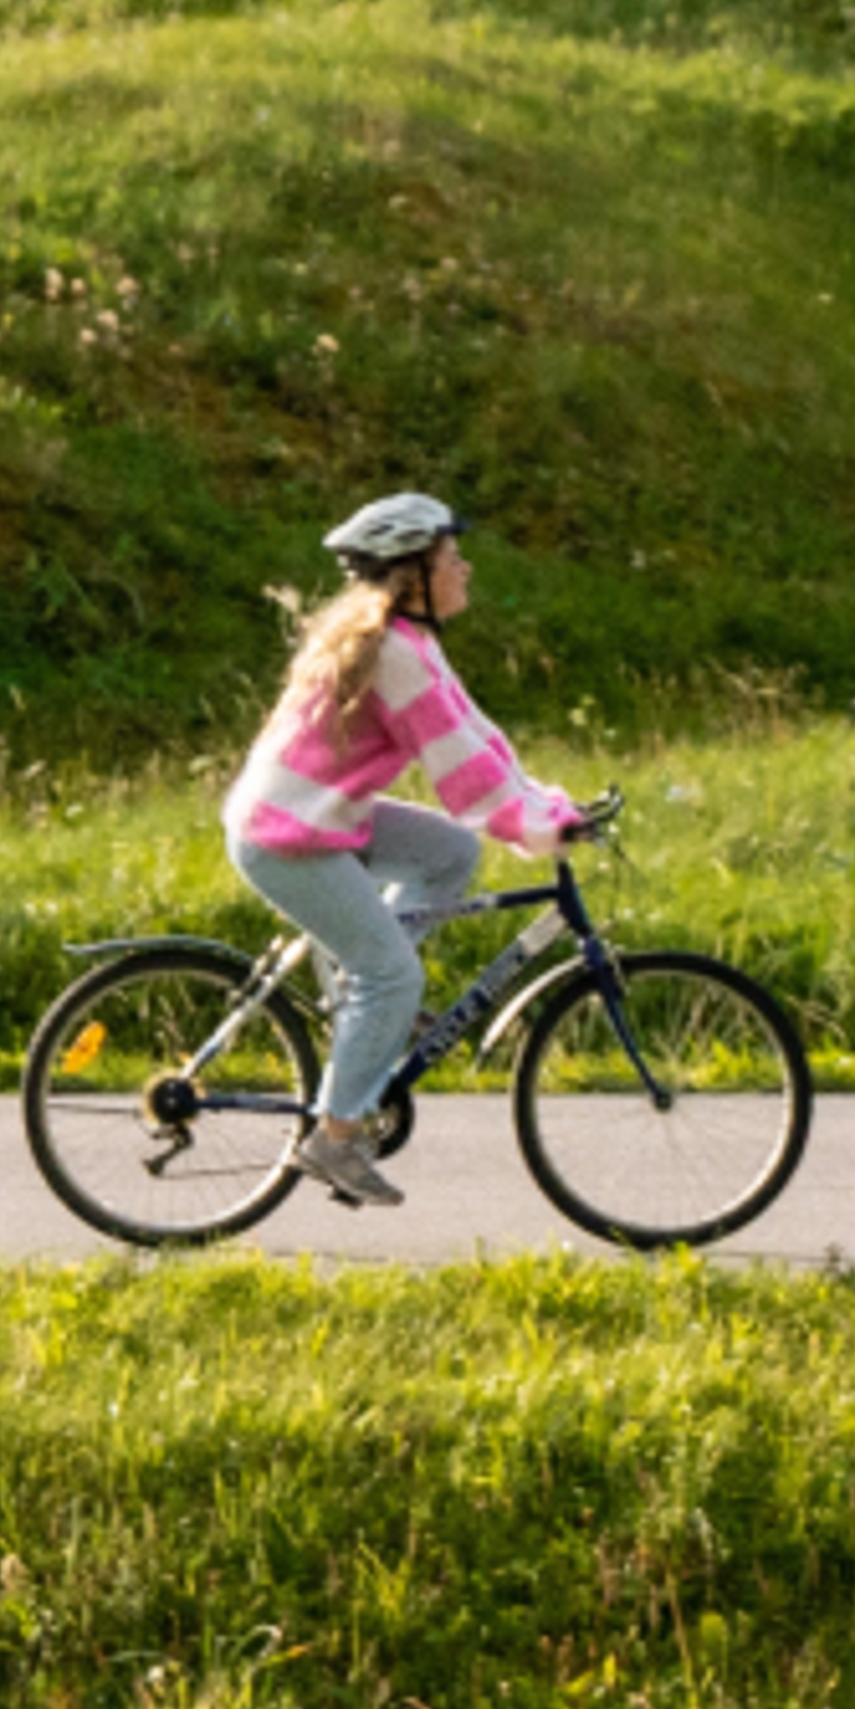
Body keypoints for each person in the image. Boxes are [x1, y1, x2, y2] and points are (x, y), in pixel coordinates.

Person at [223, 491, 588, 1207]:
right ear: (413, 575)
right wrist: (535, 827)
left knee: (449, 853)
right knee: (392, 976)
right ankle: (335, 1137)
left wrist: (543, 804)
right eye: (453, 559)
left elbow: (479, 739)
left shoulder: (407, 643)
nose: (466, 569)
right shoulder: (396, 655)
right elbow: (461, 771)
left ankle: (374, 1001)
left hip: (318, 815)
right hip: (286, 836)